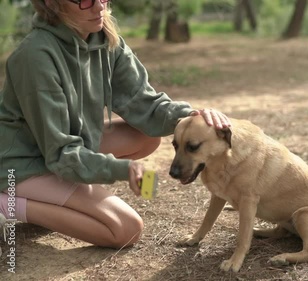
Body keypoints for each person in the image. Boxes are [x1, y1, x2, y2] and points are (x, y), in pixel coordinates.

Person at [0, 0, 230, 249]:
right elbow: (61, 153)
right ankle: (8, 204)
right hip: (20, 164)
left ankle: (61, 195)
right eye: (85, 0)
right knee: (126, 229)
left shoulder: (104, 39)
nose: (99, 7)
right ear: (51, 4)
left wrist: (194, 117)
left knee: (146, 136)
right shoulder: (35, 56)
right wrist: (121, 169)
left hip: (56, 152)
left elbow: (145, 104)